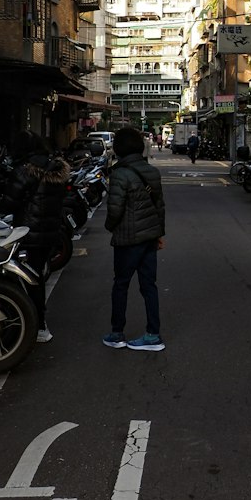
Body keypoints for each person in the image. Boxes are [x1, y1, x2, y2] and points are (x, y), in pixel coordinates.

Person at [0, 130, 70, 342]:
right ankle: (36, 323)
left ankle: (37, 325)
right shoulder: (54, 166)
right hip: (50, 232)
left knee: (28, 279)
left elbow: (9, 202)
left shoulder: (26, 170)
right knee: (37, 276)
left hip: (29, 232)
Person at [102, 126, 166, 351]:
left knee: (121, 285)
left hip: (127, 240)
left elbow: (115, 209)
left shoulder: (120, 173)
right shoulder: (152, 172)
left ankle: (117, 333)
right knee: (149, 286)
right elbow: (159, 206)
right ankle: (153, 335)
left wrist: (110, 227)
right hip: (149, 237)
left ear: (119, 148)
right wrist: (160, 234)